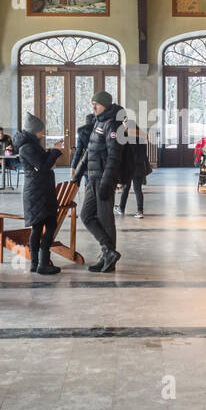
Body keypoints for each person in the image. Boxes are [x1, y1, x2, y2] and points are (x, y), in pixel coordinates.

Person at [70, 91, 125, 273]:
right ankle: (109, 251)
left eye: (97, 104)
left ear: (106, 105)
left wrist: (107, 182)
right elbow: (89, 151)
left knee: (106, 220)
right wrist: (77, 174)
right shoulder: (97, 122)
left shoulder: (113, 125)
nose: (94, 107)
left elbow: (114, 158)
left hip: (103, 179)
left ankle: (108, 258)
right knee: (86, 215)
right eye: (92, 103)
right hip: (92, 178)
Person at [14, 113, 64, 275]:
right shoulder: (27, 147)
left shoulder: (30, 144)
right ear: (35, 130)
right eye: (42, 130)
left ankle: (36, 263)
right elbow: (43, 166)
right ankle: (42, 263)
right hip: (38, 192)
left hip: (39, 191)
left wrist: (51, 151)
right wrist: (55, 151)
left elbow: (42, 163)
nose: (43, 132)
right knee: (49, 225)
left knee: (38, 227)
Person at [119, 122, 152, 218]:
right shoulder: (142, 139)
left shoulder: (126, 139)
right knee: (138, 189)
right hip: (139, 166)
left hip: (129, 167)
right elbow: (143, 154)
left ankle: (121, 208)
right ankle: (140, 211)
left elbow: (124, 155)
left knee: (126, 187)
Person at [74, 113, 95, 184]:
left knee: (88, 183)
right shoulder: (101, 130)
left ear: (86, 122)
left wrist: (73, 166)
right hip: (100, 162)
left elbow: (78, 151)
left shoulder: (82, 133)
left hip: (87, 162)